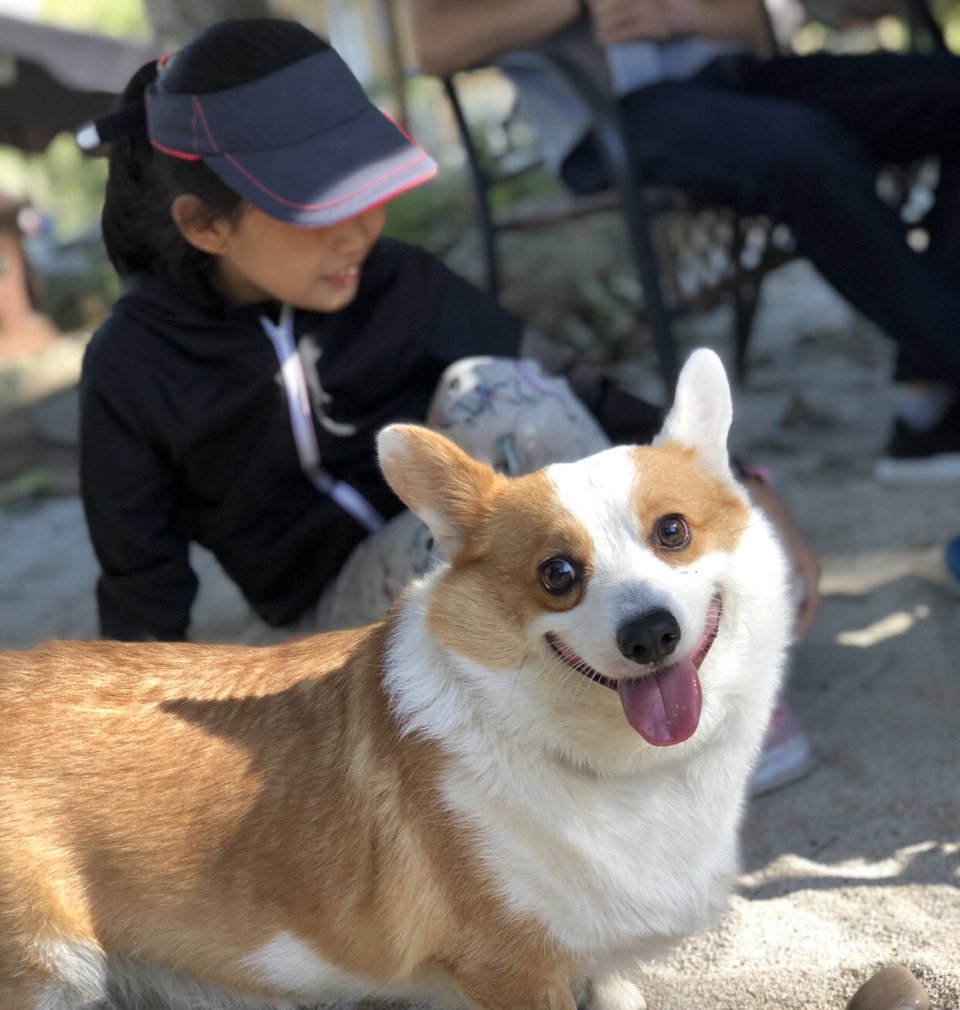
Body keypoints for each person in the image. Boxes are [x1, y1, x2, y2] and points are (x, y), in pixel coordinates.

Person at [78, 17, 815, 788]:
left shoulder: (397, 281)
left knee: (498, 390)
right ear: (203, 224)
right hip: (338, 623)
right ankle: (623, 723)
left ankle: (701, 686)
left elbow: (568, 384)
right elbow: (141, 584)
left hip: (527, 576)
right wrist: (124, 759)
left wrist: (745, 484)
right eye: (317, 208)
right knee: (476, 554)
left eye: (366, 187)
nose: (360, 227)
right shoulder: (131, 367)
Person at [408, 0, 960, 483]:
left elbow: (752, 22)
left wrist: (678, 15)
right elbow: (433, 46)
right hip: (613, 117)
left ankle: (930, 397)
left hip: (739, 77)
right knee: (801, 152)